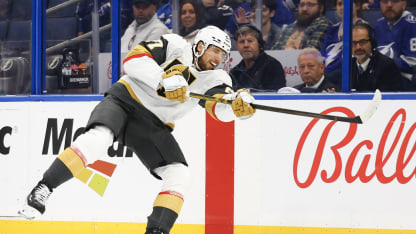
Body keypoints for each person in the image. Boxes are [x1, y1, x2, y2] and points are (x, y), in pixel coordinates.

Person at [18, 25, 256, 234]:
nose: (218, 58)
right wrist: (162, 81)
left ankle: (157, 231)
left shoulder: (217, 78)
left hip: (153, 124)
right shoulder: (176, 45)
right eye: (215, 51)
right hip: (124, 100)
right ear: (201, 46)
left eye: (223, 54)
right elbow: (134, 59)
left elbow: (219, 108)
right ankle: (44, 187)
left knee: (180, 174)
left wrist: (237, 106)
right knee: (97, 140)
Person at [320, 0, 366, 87]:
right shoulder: (332, 30)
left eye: (346, 4)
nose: (342, 7)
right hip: (328, 75)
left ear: (357, 6)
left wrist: (326, 73)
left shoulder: (365, 29)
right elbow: (323, 54)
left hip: (351, 76)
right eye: (339, 4)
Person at [375, 0, 416, 91]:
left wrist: (383, 65)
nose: (389, 5)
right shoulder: (379, 24)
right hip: (382, 75)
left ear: (404, 4)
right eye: (385, 2)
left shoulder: (411, 23)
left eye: (395, 1)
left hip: (405, 79)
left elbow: (413, 61)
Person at [230, 25, 286, 91]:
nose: (246, 45)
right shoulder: (235, 72)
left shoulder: (273, 66)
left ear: (259, 44)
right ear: (236, 46)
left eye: (250, 41)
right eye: (242, 42)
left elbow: (276, 97)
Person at [351, 23, 402, 91]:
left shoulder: (387, 66)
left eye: (362, 42)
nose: (358, 47)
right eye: (354, 43)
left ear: (372, 43)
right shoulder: (347, 66)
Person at [225, 0, 294, 36]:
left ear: (272, 12)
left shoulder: (280, 7)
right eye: (253, 10)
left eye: (263, 10)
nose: (257, 14)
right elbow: (230, 34)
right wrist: (242, 26)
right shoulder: (242, 8)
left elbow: (288, 32)